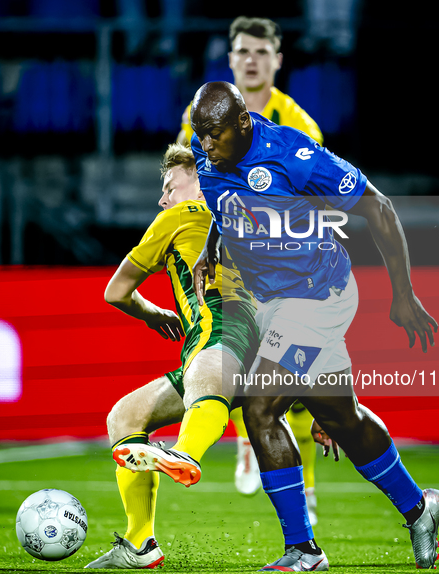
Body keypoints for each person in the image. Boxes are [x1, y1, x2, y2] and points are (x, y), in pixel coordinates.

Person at [187, 81, 439, 572]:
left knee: (259, 407)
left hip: (317, 297)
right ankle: (420, 508)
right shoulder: (210, 156)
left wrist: (403, 293)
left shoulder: (293, 155)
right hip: (274, 304)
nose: (205, 145)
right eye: (199, 135)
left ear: (243, 124)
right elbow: (228, 207)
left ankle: (303, 550)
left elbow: (378, 206)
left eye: (214, 134)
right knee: (341, 419)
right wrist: (210, 249)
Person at [84, 143, 259, 569]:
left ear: (199, 180)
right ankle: (140, 546)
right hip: (262, 334)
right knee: (125, 416)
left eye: (169, 186)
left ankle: (185, 453)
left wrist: (151, 313)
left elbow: (115, 292)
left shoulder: (180, 216)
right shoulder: (251, 217)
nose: (163, 199)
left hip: (221, 328)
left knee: (203, 377)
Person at [179, 15, 324, 518]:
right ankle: (259, 451)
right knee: (237, 358)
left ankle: (298, 485)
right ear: (231, 58)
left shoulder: (299, 125)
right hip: (226, 258)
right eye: (243, 51)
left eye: (262, 52)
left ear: (278, 60)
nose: (252, 60)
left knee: (295, 382)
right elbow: (195, 179)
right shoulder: (201, 113)